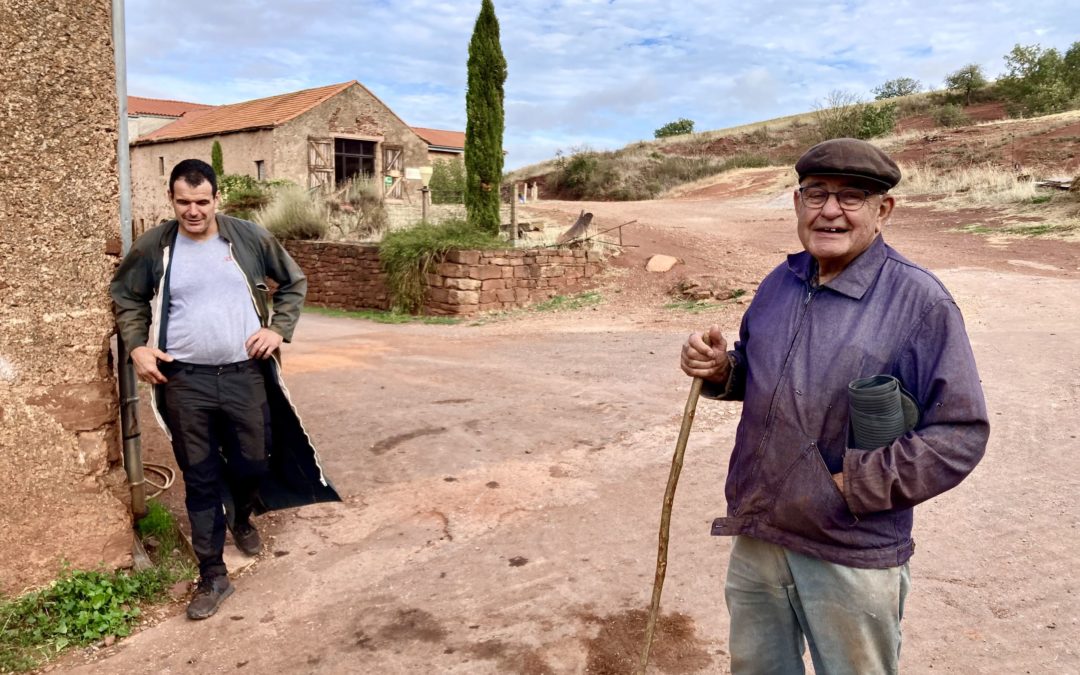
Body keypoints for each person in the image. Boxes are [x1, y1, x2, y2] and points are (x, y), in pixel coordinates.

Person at [680, 138, 989, 674]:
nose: (829, 211)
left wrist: (852, 485)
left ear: (882, 209)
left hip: (851, 548)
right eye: (816, 194)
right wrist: (723, 372)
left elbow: (960, 433)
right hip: (761, 533)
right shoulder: (780, 283)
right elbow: (762, 374)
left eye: (851, 197)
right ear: (797, 203)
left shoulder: (921, 302)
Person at [112, 159, 339, 620]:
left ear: (217, 198)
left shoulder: (248, 237)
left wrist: (278, 330)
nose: (192, 211)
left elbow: (293, 282)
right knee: (199, 476)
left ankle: (240, 514)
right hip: (185, 380)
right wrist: (137, 347)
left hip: (245, 374)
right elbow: (126, 295)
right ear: (171, 200)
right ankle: (213, 574)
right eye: (183, 202)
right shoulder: (157, 245)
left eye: (201, 202)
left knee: (253, 459)